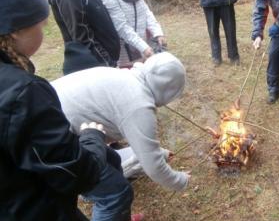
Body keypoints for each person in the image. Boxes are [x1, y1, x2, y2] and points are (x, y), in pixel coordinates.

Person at [0, 0, 108, 221]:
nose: (44, 30)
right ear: (15, 29)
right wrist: (93, 137)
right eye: (41, 23)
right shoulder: (22, 94)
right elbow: (76, 173)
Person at [51, 51, 191, 188]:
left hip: (46, 109)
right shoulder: (138, 104)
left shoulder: (125, 76)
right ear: (169, 90)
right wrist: (180, 180)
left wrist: (161, 153)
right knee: (117, 194)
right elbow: (153, 166)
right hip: (53, 137)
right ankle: (91, 188)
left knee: (113, 159)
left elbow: (143, 148)